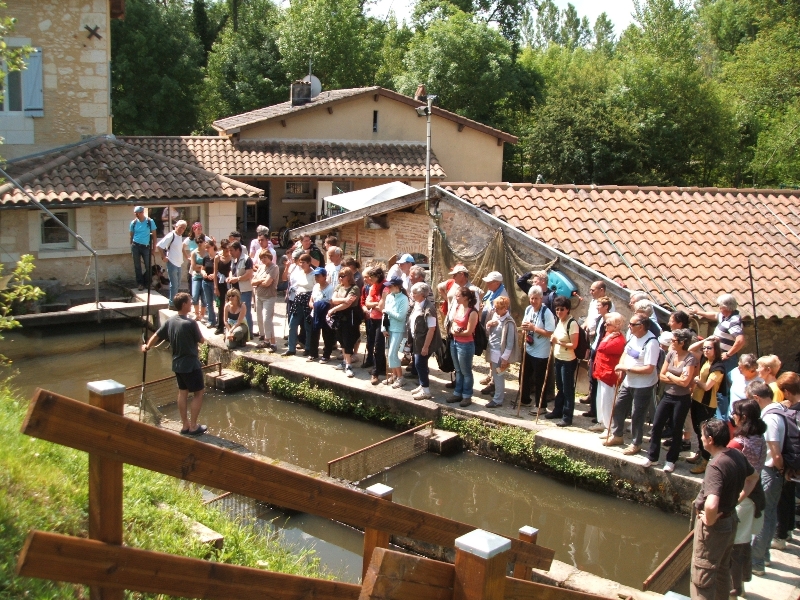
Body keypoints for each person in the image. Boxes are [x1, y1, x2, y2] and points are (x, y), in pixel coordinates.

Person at [690, 418, 758, 600]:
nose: (701, 439)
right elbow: (753, 478)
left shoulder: (715, 465)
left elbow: (711, 504)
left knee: (702, 578)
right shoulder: (736, 455)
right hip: (730, 521)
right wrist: (737, 500)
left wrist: (709, 520)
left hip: (715, 528)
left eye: (703, 436)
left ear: (710, 439)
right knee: (721, 572)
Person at [142, 292, 207, 436]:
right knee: (198, 393)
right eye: (190, 302)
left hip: (177, 364)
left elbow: (156, 336)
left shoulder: (170, 321)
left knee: (182, 393)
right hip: (191, 364)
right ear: (184, 305)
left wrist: (147, 346)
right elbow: (201, 340)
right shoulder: (190, 323)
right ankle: (194, 426)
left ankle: (185, 425)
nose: (191, 304)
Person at [727, 398, 767, 597]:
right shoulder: (760, 438)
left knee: (734, 544)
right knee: (743, 542)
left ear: (742, 417)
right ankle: (743, 579)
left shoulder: (737, 444)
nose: (732, 416)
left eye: (735, 413)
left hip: (741, 497)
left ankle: (734, 587)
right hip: (755, 495)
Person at [604, 314, 660, 455]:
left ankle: (636, 443)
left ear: (641, 326)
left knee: (637, 414)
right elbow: (625, 352)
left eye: (631, 324)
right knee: (618, 407)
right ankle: (617, 436)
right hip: (628, 381)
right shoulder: (633, 336)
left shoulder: (651, 343)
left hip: (643, 385)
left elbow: (649, 369)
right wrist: (621, 365)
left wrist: (626, 369)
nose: (629, 326)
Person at [644, 329, 697, 472]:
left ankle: (671, 459)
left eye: (674, 341)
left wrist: (671, 377)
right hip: (667, 395)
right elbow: (661, 376)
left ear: (682, 342)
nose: (671, 343)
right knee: (657, 425)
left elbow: (685, 382)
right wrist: (676, 379)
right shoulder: (671, 354)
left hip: (682, 398)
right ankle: (652, 457)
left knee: (677, 429)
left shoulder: (690, 359)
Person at [748, 381, 785, 577]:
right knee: (769, 512)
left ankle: (757, 561)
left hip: (771, 471)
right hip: (776, 472)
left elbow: (775, 454)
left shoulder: (770, 419)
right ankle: (765, 554)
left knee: (764, 515)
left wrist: (780, 469)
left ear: (756, 399)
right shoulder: (780, 410)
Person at [690, 294, 746, 419]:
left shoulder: (733, 321)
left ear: (726, 307)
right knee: (716, 387)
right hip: (718, 358)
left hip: (726, 360)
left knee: (721, 390)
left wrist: (728, 353)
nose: (719, 308)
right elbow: (715, 315)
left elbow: (741, 340)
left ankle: (723, 418)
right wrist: (699, 312)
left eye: (720, 306)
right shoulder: (725, 316)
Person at [686, 338, 726, 474]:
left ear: (716, 350)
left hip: (707, 404)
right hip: (696, 399)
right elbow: (690, 349)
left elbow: (707, 387)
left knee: (704, 431)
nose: (705, 350)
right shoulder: (705, 359)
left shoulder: (718, 367)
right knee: (697, 430)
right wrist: (707, 340)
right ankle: (700, 454)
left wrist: (696, 381)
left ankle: (704, 460)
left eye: (709, 348)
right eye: (704, 348)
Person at [518, 286, 555, 413]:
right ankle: (525, 400)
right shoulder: (529, 309)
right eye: (532, 298)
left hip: (541, 352)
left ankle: (541, 406)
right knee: (525, 376)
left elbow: (550, 332)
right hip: (528, 348)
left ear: (541, 299)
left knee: (539, 380)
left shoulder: (547, 313)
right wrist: (524, 329)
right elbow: (525, 325)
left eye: (536, 299)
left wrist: (534, 329)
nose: (533, 301)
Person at [774, 372, 800, 552]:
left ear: (788, 392)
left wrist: (789, 466)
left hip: (793, 464)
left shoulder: (792, 414)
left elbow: (794, 442)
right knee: (790, 496)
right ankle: (789, 528)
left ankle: (782, 536)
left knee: (784, 498)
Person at [546, 296, 580, 427]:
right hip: (558, 358)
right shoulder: (560, 321)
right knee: (559, 387)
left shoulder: (572, 324)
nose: (559, 312)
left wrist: (558, 342)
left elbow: (574, 344)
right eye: (557, 309)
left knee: (567, 389)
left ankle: (567, 416)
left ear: (568, 310)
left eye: (562, 309)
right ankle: (557, 410)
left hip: (568, 360)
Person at [591, 312, 626, 436]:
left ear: (616, 326)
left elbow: (601, 347)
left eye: (609, 323)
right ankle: (602, 422)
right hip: (601, 372)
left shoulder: (618, 340)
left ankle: (610, 427)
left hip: (609, 375)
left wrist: (607, 338)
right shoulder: (610, 335)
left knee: (608, 402)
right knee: (600, 399)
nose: (605, 325)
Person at [409, 282, 442, 400]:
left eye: (415, 293)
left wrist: (426, 347)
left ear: (422, 294)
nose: (412, 295)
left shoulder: (429, 309)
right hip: (417, 340)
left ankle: (426, 390)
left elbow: (431, 329)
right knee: (420, 364)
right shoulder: (417, 304)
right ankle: (422, 385)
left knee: (419, 364)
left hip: (424, 342)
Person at [478, 271, 509, 394]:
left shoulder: (501, 296)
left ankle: (495, 384)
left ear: (497, 283)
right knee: (491, 357)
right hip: (490, 330)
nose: (487, 284)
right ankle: (491, 376)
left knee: (496, 358)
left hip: (496, 332)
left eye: (489, 282)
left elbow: (502, 315)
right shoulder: (492, 292)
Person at [447, 287, 479, 406]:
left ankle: (467, 395)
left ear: (465, 297)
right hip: (454, 342)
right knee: (458, 370)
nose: (456, 298)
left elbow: (470, 331)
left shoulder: (473, 312)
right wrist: (454, 329)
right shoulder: (458, 307)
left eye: (458, 296)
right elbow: (454, 322)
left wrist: (455, 332)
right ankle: (457, 393)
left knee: (466, 371)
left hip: (465, 344)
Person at [327, 267, 361, 377]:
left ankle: (349, 365)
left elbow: (348, 304)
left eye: (343, 276)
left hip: (350, 316)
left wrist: (333, 309)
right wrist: (343, 300)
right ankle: (345, 361)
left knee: (348, 340)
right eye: (339, 276)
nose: (340, 278)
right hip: (339, 317)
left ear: (349, 277)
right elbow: (333, 300)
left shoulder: (354, 288)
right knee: (340, 339)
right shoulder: (339, 287)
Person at [584, 295, 614, 421]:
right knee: (592, 380)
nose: (597, 307)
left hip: (599, 352)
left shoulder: (608, 321)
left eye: (599, 305)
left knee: (597, 382)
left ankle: (598, 413)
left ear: (606, 307)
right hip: (594, 350)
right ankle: (593, 409)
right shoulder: (599, 319)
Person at [484, 296, 516, 408]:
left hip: (500, 354)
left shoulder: (509, 322)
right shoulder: (495, 316)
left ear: (505, 308)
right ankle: (498, 394)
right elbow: (489, 333)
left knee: (499, 376)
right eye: (495, 308)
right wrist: (489, 325)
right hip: (493, 351)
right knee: (495, 375)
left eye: (498, 308)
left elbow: (510, 343)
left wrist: (505, 358)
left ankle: (498, 399)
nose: (495, 310)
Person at [283, 253, 315, 356]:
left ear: (309, 263)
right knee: (292, 324)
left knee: (307, 325)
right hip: (298, 299)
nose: (301, 264)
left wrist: (312, 301)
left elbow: (316, 288)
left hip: (308, 299)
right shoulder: (300, 272)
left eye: (303, 262)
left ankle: (308, 347)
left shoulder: (313, 274)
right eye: (300, 262)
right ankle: (291, 348)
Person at [383, 276, 410, 387]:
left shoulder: (404, 299)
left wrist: (388, 311)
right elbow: (385, 315)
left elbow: (400, 316)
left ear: (397, 286)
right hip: (389, 328)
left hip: (398, 329)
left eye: (391, 286)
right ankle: (394, 376)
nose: (388, 288)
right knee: (388, 354)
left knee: (392, 354)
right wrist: (383, 328)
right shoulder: (389, 297)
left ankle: (400, 377)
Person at [363, 266, 388, 384]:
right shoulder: (373, 286)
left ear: (377, 276)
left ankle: (375, 373)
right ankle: (380, 367)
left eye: (371, 277)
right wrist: (375, 304)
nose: (369, 279)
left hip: (382, 319)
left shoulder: (385, 287)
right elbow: (367, 303)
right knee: (371, 343)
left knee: (379, 346)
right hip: (373, 318)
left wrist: (373, 304)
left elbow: (382, 307)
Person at [156, 219, 187, 308]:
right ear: (176, 226)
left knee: (177, 284)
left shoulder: (179, 236)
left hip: (179, 263)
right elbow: (159, 245)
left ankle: (175, 302)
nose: (182, 230)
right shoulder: (171, 235)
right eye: (180, 227)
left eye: (184, 228)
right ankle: (172, 304)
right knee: (174, 284)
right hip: (172, 262)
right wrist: (163, 257)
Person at [252, 249, 279, 350]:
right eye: (261, 258)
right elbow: (252, 282)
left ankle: (273, 343)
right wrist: (260, 280)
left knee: (267, 319)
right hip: (258, 295)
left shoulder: (274, 267)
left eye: (265, 257)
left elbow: (267, 283)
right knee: (260, 319)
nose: (263, 259)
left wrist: (258, 282)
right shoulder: (261, 268)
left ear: (270, 257)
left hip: (269, 296)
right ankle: (266, 340)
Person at [308, 267, 335, 362]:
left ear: (324, 276)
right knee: (314, 333)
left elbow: (332, 302)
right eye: (315, 276)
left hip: (325, 314)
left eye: (318, 276)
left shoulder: (330, 288)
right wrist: (313, 305)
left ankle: (326, 355)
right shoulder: (315, 286)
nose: (316, 278)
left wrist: (323, 308)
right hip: (315, 313)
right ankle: (313, 353)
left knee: (327, 335)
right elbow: (311, 300)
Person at [228, 241, 254, 338]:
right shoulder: (233, 260)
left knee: (246, 312)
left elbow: (249, 274)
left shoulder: (247, 259)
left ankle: (249, 333)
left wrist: (237, 279)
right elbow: (231, 271)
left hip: (245, 290)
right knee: (237, 311)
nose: (230, 252)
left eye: (231, 250)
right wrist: (230, 277)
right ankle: (239, 333)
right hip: (235, 290)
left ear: (238, 250)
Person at [129, 206, 156, 291]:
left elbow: (154, 236)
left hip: (146, 247)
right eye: (135, 213)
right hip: (135, 246)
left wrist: (153, 248)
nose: (136, 215)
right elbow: (131, 235)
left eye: (138, 213)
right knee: (137, 266)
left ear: (142, 212)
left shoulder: (149, 222)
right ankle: (140, 283)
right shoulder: (133, 223)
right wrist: (131, 246)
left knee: (148, 266)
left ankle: (148, 283)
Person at [213, 239, 233, 335]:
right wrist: (215, 287)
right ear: (221, 247)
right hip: (220, 283)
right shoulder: (217, 257)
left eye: (228, 248)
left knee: (230, 303)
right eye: (225, 248)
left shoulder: (231, 257)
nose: (227, 250)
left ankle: (229, 325)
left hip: (228, 282)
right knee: (220, 305)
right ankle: (219, 326)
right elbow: (215, 273)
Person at [189, 235, 210, 323]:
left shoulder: (207, 252)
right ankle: (196, 314)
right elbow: (194, 267)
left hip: (205, 277)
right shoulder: (194, 252)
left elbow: (209, 265)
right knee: (195, 295)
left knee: (204, 297)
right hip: (196, 277)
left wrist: (201, 267)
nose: (199, 244)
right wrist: (203, 267)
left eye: (201, 242)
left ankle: (202, 314)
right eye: (197, 242)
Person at [183, 222, 203, 297]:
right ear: (194, 230)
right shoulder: (189, 239)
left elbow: (211, 244)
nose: (199, 231)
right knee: (191, 278)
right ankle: (191, 295)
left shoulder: (204, 238)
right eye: (198, 229)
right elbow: (182, 247)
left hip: (201, 261)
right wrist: (186, 256)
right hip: (192, 261)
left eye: (201, 229)